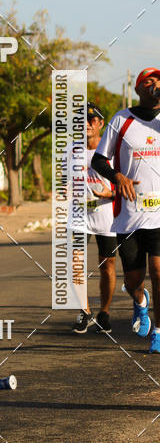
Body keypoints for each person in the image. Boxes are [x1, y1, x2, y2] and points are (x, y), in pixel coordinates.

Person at [92, 68, 160, 352]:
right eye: (150, 80)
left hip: (158, 214)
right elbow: (99, 160)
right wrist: (117, 177)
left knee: (159, 272)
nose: (156, 84)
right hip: (128, 215)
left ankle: (158, 331)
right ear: (138, 89)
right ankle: (140, 300)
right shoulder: (122, 119)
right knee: (134, 280)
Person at [72, 103, 118, 334]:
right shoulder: (71, 150)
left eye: (92, 120)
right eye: (82, 120)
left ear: (101, 123)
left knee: (107, 266)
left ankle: (104, 313)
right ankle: (85, 312)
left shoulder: (111, 151)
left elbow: (125, 185)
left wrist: (109, 193)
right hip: (79, 215)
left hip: (106, 215)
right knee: (75, 263)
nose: (87, 124)